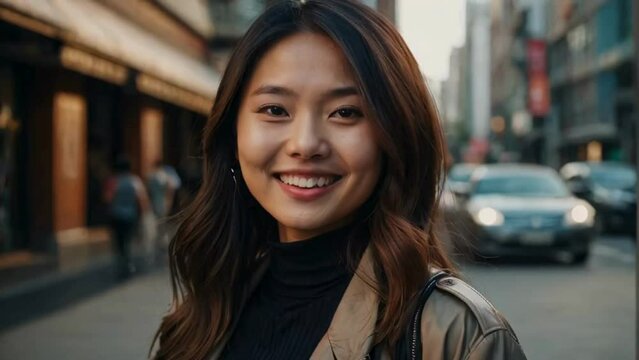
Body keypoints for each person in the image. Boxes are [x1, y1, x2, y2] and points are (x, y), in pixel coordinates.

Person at [152, 1, 527, 359]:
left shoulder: (456, 335)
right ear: (233, 133)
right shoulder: (204, 307)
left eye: (345, 113)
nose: (305, 145)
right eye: (275, 110)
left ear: (393, 136)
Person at [104, 156, 149, 279]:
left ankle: (121, 263)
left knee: (118, 241)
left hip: (116, 215)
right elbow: (142, 199)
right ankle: (128, 263)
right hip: (130, 215)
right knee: (128, 240)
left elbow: (108, 198)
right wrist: (144, 213)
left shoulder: (113, 181)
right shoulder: (135, 181)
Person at [147, 161, 181, 263]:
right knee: (163, 226)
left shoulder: (152, 176)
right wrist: (169, 201)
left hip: (156, 203)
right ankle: (163, 247)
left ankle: (161, 247)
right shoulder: (164, 176)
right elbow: (172, 188)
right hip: (162, 203)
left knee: (161, 226)